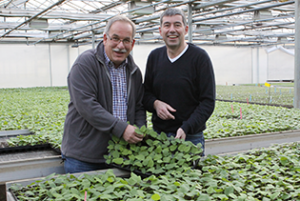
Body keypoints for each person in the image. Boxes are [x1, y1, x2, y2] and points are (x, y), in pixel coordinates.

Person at [61, 15, 146, 173]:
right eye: (115, 38)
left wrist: (140, 130)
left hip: (120, 155)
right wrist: (120, 128)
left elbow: (139, 106)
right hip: (85, 157)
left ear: (132, 43)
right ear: (105, 39)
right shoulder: (86, 63)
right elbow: (87, 105)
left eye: (126, 40)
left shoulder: (134, 71)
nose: (120, 45)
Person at [143, 8, 215, 155]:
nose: (172, 30)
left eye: (177, 25)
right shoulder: (154, 57)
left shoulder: (199, 58)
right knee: (159, 176)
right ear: (160, 30)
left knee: (190, 177)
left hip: (190, 138)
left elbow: (208, 101)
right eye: (167, 25)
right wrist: (155, 104)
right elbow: (145, 93)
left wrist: (186, 127)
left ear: (185, 29)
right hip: (159, 135)